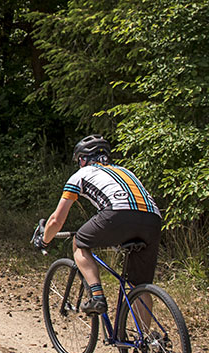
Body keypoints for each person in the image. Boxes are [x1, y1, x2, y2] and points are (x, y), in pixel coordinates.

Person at [33, 135, 162, 316]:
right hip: (153, 219)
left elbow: (56, 220)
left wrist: (44, 240)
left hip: (117, 214)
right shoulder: (125, 171)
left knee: (79, 242)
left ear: (83, 159)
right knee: (138, 286)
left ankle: (97, 297)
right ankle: (145, 333)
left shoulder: (80, 175)